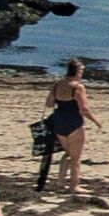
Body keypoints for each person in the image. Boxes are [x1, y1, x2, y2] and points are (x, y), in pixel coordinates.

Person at [35, 59, 90, 195]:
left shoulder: (57, 84)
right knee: (76, 157)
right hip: (74, 122)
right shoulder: (78, 87)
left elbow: (49, 103)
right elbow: (84, 109)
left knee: (69, 154)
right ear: (77, 71)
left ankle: (60, 182)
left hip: (59, 121)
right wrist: (96, 121)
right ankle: (74, 186)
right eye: (81, 71)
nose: (82, 74)